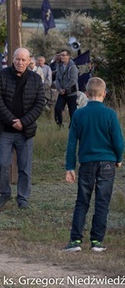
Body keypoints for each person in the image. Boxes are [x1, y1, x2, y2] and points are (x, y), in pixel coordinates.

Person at [64, 77, 123, 252]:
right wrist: (118, 158)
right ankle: (97, 241)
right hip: (107, 163)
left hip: (87, 163)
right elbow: (118, 141)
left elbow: (72, 143)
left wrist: (70, 167)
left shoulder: (79, 114)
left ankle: (75, 241)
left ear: (86, 93)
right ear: (104, 94)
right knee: (102, 202)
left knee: (82, 201)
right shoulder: (110, 114)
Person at [0, 48, 46, 210]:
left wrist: (23, 122)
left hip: (25, 132)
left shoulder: (35, 79)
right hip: (4, 129)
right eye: (17, 59)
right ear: (12, 59)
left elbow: (40, 103)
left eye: (23, 60)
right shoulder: (1, 76)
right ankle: (4, 193)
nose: (20, 62)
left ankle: (23, 197)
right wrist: (13, 121)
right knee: (3, 164)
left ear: (29, 61)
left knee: (25, 167)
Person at [54, 49, 79, 128]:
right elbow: (57, 78)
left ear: (68, 56)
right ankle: (59, 125)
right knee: (57, 108)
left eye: (63, 55)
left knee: (72, 112)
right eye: (61, 55)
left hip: (71, 92)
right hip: (62, 92)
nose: (61, 57)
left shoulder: (73, 66)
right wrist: (59, 89)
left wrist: (65, 89)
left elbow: (73, 80)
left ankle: (72, 127)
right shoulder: (59, 66)